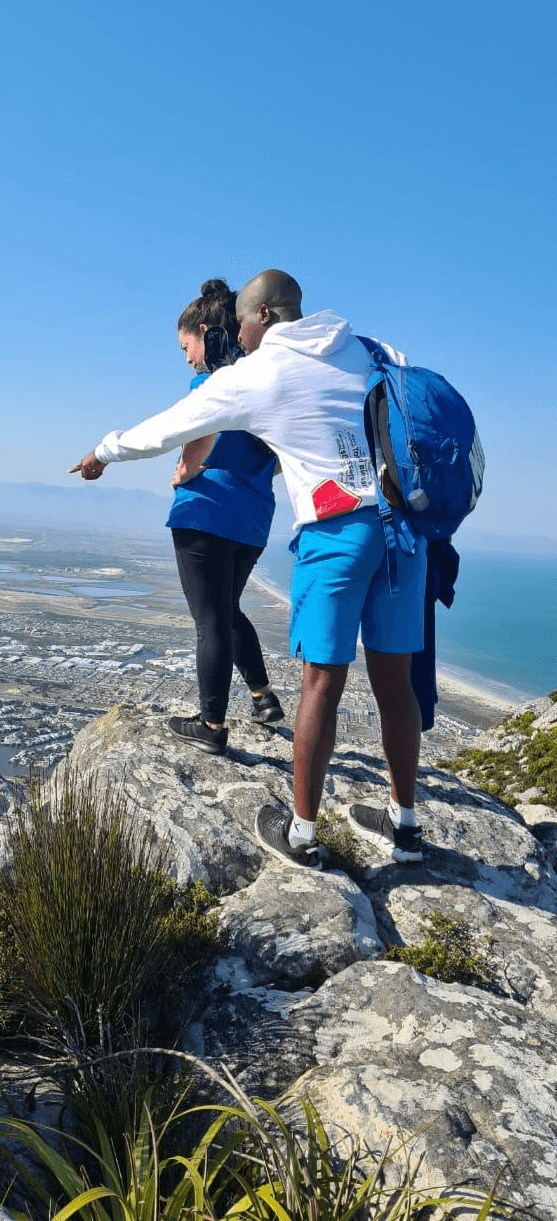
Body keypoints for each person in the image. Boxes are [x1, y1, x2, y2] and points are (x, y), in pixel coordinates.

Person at [72, 269, 427, 866]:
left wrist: (102, 452)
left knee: (323, 682)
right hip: (403, 532)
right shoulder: (368, 349)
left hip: (338, 533)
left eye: (240, 322)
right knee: (395, 682)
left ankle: (302, 835)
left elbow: (168, 429)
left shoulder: (259, 374)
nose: (237, 334)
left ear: (262, 316)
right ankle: (406, 826)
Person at [163, 279, 283, 755]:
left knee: (209, 620)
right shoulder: (267, 389)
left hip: (205, 515)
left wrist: (184, 472)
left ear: (205, 332)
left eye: (186, 346)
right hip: (252, 522)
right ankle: (262, 695)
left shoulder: (211, 384)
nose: (187, 358)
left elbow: (195, 448)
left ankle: (211, 726)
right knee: (227, 610)